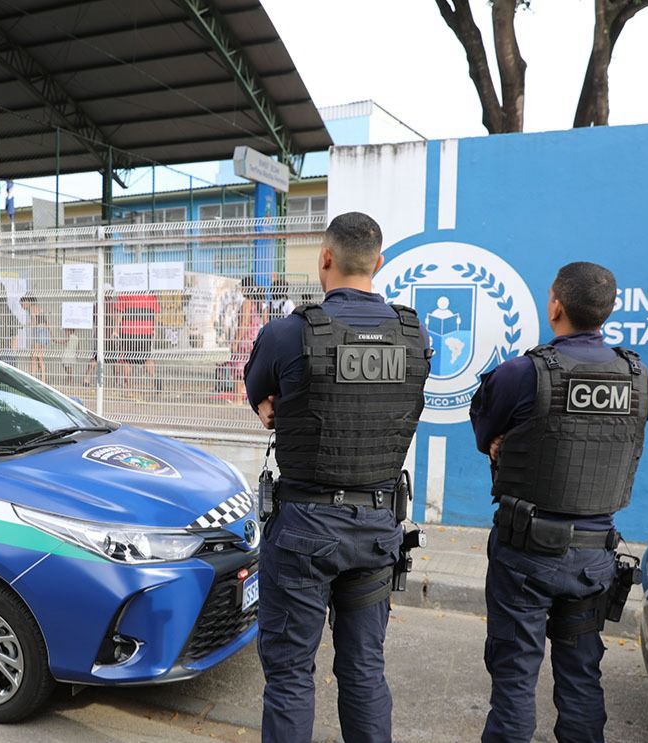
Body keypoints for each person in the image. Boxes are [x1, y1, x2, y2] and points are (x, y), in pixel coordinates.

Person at [245, 212, 431, 743]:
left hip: (305, 527)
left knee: (288, 677)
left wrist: (268, 402)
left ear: (324, 258)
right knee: (364, 671)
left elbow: (256, 385)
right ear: (380, 262)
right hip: (377, 525)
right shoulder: (415, 333)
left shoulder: (287, 333)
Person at [471, 262, 648, 743]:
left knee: (513, 684)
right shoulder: (635, 375)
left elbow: (485, 432)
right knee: (581, 681)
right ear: (606, 313)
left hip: (526, 556)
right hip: (595, 558)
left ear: (555, 306)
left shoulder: (521, 373)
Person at [115, 291, 161, 392]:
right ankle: (154, 379)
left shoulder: (125, 292)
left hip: (128, 330)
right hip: (146, 330)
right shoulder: (150, 294)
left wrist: (116, 329)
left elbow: (119, 312)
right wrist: (154, 328)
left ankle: (127, 386)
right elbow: (156, 313)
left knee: (127, 359)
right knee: (147, 358)